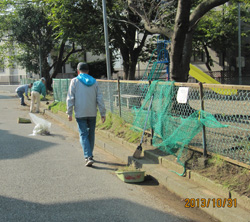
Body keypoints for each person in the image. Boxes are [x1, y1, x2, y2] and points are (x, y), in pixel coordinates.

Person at [66, 62, 106, 167]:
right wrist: (103, 113)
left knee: (83, 134)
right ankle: (90, 155)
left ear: (78, 71)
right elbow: (100, 98)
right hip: (92, 112)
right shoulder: (94, 81)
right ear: (88, 71)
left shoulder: (74, 81)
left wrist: (69, 112)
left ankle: (88, 156)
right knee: (91, 134)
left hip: (80, 112)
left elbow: (70, 98)